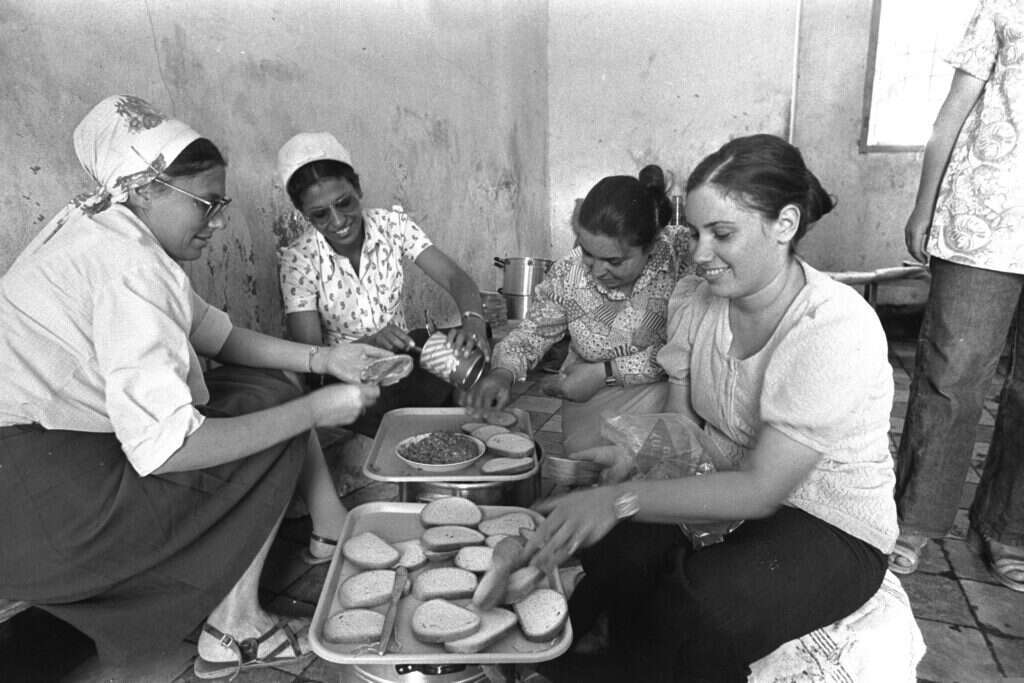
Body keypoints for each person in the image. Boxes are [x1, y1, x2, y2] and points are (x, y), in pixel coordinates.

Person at [0, 95, 392, 678]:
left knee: (268, 389)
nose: (216, 223)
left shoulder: (108, 228)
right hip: (42, 507)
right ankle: (234, 630)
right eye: (205, 205)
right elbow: (169, 450)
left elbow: (218, 333)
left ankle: (326, 530)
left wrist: (326, 358)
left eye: (220, 204)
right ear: (144, 188)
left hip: (34, 480)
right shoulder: (126, 266)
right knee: (276, 408)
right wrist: (313, 408)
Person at [524, 134, 899, 681]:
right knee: (621, 552)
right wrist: (624, 460)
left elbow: (761, 489)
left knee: (704, 604)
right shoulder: (698, 304)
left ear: (785, 225)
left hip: (827, 522)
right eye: (696, 233)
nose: (699, 254)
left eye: (722, 234)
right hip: (730, 488)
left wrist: (618, 499)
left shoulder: (831, 326)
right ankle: (588, 659)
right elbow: (681, 427)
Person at [890, 0, 1024, 591]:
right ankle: (914, 520)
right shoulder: (1003, 7)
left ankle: (1007, 528)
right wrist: (925, 206)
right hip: (984, 224)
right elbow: (951, 114)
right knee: (953, 375)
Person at [276, 132, 489, 437]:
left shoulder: (393, 226)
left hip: (405, 359)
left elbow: (455, 278)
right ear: (303, 215)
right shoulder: (300, 259)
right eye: (320, 215)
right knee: (378, 413)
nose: (338, 221)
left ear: (358, 188)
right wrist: (371, 343)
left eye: (344, 203)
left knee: (465, 352)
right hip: (350, 377)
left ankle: (444, 424)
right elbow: (311, 356)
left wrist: (475, 326)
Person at [464, 165, 690, 453]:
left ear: (650, 246)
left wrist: (607, 372)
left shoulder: (679, 257)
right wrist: (502, 373)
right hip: (589, 406)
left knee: (656, 473)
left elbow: (690, 352)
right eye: (588, 253)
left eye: (615, 261)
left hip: (666, 401)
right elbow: (533, 333)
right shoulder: (570, 273)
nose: (597, 270)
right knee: (591, 473)